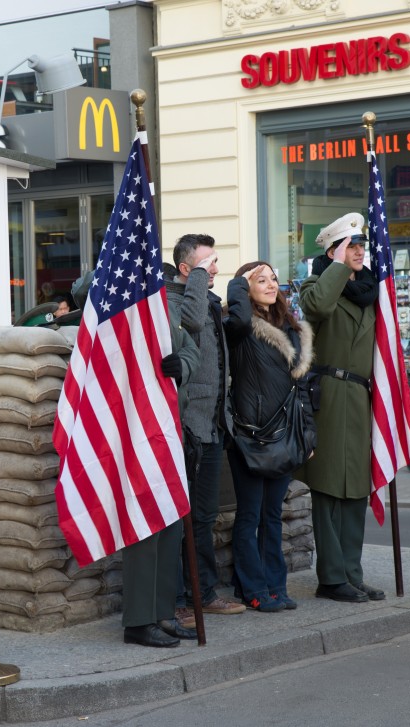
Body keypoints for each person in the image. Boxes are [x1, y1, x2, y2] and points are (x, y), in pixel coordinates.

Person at [299, 211, 384, 604]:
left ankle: (352, 572)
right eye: (351, 245)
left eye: (361, 246)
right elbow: (316, 306)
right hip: (330, 395)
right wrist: (337, 266)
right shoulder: (319, 283)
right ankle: (331, 577)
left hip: (359, 398)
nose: (359, 251)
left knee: (354, 491)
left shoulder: (369, 290)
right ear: (334, 251)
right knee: (329, 490)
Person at [225, 261, 315, 612]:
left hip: (287, 433)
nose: (270, 284)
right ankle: (252, 588)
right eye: (259, 279)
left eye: (273, 278)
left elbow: (302, 387)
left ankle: (276, 585)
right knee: (249, 516)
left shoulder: (292, 326)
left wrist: (308, 436)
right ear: (245, 288)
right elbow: (239, 322)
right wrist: (237, 283)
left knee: (272, 516)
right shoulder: (239, 325)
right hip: (250, 434)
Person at [164, 233, 243, 626]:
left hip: (213, 426)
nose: (214, 268)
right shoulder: (173, 299)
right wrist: (196, 277)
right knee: (183, 518)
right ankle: (180, 599)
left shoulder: (207, 299)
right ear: (185, 269)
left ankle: (204, 592)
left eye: (214, 260)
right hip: (187, 426)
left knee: (206, 515)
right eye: (206, 262)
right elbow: (190, 322)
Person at [122, 289, 201, 647]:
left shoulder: (163, 305)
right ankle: (139, 620)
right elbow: (84, 290)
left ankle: (162, 613)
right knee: (143, 526)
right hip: (134, 429)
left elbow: (190, 348)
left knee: (170, 523)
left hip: (168, 427)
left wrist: (181, 365)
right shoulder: (120, 295)